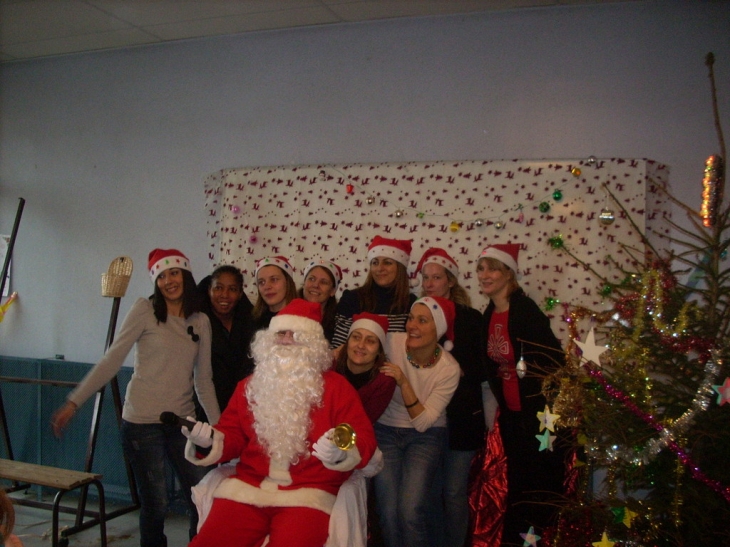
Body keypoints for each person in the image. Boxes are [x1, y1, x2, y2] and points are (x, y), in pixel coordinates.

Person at [51, 248, 220, 547]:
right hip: (142, 423)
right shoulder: (145, 309)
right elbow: (112, 360)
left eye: (174, 272)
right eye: (161, 276)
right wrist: (74, 401)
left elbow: (203, 380)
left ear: (186, 274)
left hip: (183, 422)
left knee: (204, 491)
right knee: (157, 503)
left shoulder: (201, 321)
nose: (169, 280)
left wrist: (223, 431)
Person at [182, 299, 378, 547]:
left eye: (295, 334)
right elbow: (232, 433)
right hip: (247, 489)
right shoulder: (249, 386)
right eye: (280, 333)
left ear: (312, 344)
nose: (285, 340)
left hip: (307, 495)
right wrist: (209, 441)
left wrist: (342, 448)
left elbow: (361, 436)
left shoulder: (338, 388)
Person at [476, 244, 566, 545]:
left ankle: (542, 539)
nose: (484, 275)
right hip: (513, 418)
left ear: (508, 274)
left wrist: (540, 406)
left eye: (492, 269)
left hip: (540, 418)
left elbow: (554, 362)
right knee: (518, 485)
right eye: (481, 269)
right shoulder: (488, 314)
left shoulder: (525, 311)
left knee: (540, 486)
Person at [374, 296, 461, 547]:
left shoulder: (448, 369)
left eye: (422, 321)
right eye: (411, 318)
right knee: (389, 514)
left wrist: (403, 381)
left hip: (425, 437)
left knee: (410, 511)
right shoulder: (392, 343)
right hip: (386, 431)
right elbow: (359, 345)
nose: (412, 325)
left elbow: (423, 423)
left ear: (438, 330)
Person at [416, 247, 487, 547]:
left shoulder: (470, 318)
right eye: (426, 278)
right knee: (429, 492)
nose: (430, 283)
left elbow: (483, 367)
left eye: (437, 277)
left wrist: (452, 370)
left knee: (454, 492)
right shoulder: (418, 316)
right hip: (427, 422)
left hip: (462, 419)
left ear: (451, 282)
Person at [330, 236, 416, 349]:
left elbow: (413, 348)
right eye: (375, 262)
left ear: (400, 268)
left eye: (387, 263)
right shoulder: (352, 299)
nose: (380, 268)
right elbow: (339, 347)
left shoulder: (411, 303)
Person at [196, 265, 256, 419]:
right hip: (203, 410)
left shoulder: (250, 324)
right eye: (218, 288)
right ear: (209, 290)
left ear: (240, 293)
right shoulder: (196, 323)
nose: (224, 295)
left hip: (241, 409)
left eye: (232, 289)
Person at [334, 312, 396, 423]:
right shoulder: (330, 367)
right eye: (356, 337)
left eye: (370, 341)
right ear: (347, 342)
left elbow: (364, 421)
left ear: (379, 351)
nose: (361, 345)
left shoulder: (385, 380)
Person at [299, 259, 342, 343]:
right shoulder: (286, 313)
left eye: (324, 282)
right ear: (304, 283)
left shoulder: (338, 323)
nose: (315, 285)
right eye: (311, 279)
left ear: (333, 291)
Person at [252, 256, 297, 331]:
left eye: (274, 279)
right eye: (261, 282)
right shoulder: (252, 321)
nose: (267, 286)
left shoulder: (303, 319)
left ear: (288, 282)